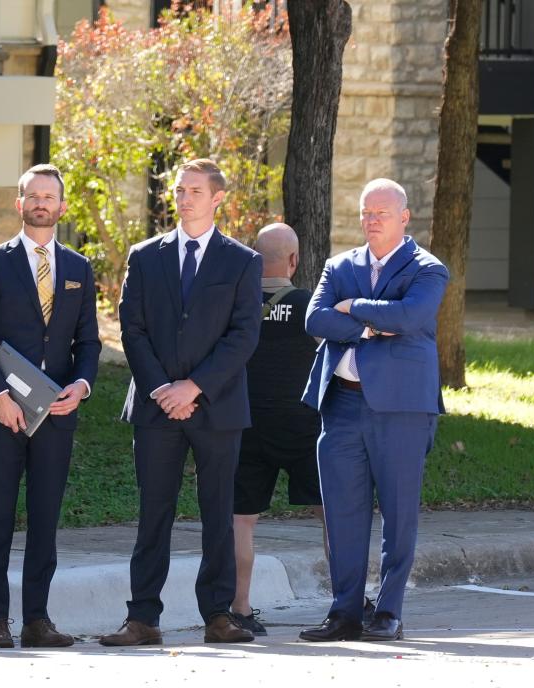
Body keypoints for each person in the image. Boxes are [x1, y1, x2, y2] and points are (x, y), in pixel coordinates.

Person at [100, 158, 263, 646]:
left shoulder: (242, 260)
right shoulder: (145, 256)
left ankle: (218, 614)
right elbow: (132, 329)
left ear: (217, 198)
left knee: (218, 511)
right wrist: (163, 390)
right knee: (155, 512)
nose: (183, 197)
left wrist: (194, 387)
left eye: (194, 190)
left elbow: (243, 335)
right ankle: (142, 618)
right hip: (155, 406)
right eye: (179, 189)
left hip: (217, 405)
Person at [0, 163, 100, 649]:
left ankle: (37, 618)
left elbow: (90, 343)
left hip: (56, 415)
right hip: (1, 413)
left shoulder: (79, 268)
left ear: (61, 206)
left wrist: (80, 386)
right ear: (19, 205)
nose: (41, 203)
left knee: (45, 518)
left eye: (49, 197)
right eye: (32, 196)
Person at [298, 178, 448, 643]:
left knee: (399, 513)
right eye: (366, 212)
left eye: (382, 213)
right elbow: (314, 319)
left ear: (404, 217)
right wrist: (367, 327)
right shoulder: (339, 265)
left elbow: (408, 318)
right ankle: (344, 611)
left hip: (402, 407)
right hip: (341, 402)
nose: (372, 220)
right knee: (342, 513)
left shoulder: (428, 269)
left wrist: (355, 307)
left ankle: (388, 612)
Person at [230, 223, 324, 637]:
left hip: (247, 423)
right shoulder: (310, 304)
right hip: (303, 425)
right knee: (332, 516)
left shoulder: (239, 304)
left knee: (241, 520)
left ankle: (239, 607)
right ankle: (348, 604)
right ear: (294, 260)